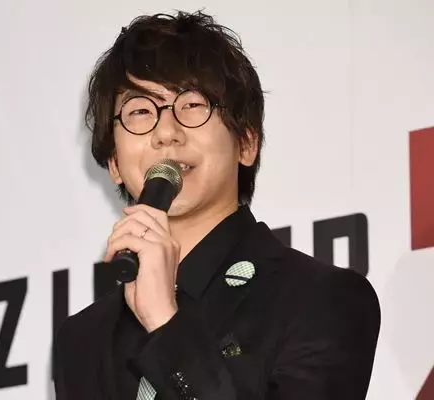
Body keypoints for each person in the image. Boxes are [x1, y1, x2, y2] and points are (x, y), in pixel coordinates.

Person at [52, 10, 380, 400]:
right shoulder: (83, 341)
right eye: (140, 111)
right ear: (114, 164)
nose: (166, 133)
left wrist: (166, 324)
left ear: (246, 143)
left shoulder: (321, 299)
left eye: (193, 105)